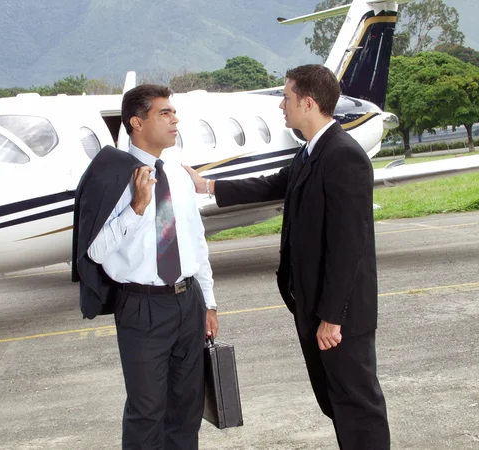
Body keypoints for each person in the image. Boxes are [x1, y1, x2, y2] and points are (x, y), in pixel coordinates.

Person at [184, 65, 390, 449]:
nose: (281, 105)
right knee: (336, 402)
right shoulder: (313, 151)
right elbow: (275, 184)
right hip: (314, 308)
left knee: (358, 406)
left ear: (308, 103)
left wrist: (332, 318)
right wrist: (207, 184)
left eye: (287, 97)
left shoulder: (344, 156)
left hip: (339, 316)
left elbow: (350, 247)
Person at [87, 84, 218, 450]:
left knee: (187, 409)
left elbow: (196, 240)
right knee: (147, 412)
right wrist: (137, 207)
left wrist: (208, 301)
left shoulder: (176, 173)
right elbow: (95, 251)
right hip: (142, 307)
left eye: (174, 112)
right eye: (164, 113)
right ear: (136, 122)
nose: (175, 119)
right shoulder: (111, 176)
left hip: (187, 300)